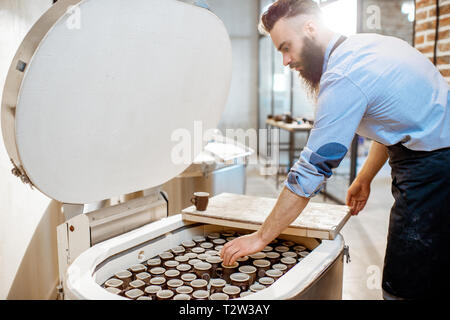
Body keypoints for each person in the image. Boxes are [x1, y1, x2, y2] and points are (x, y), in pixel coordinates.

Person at [220, 0, 449, 300]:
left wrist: (261, 238)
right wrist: (365, 177)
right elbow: (394, 123)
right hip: (428, 152)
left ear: (310, 28)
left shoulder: (343, 75)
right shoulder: (366, 46)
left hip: (435, 168)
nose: (286, 62)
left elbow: (311, 170)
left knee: (406, 282)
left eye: (286, 48)